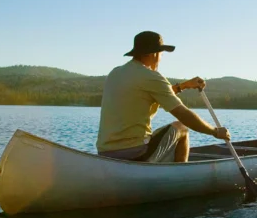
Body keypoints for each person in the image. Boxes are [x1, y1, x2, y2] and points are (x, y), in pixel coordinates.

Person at [96, 31, 231, 163]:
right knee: (182, 127)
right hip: (135, 153)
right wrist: (214, 131)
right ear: (154, 53)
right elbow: (182, 113)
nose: (161, 57)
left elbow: (154, 93)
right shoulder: (150, 76)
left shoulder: (115, 73)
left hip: (105, 152)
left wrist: (184, 86)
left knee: (159, 134)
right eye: (161, 53)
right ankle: (181, 174)